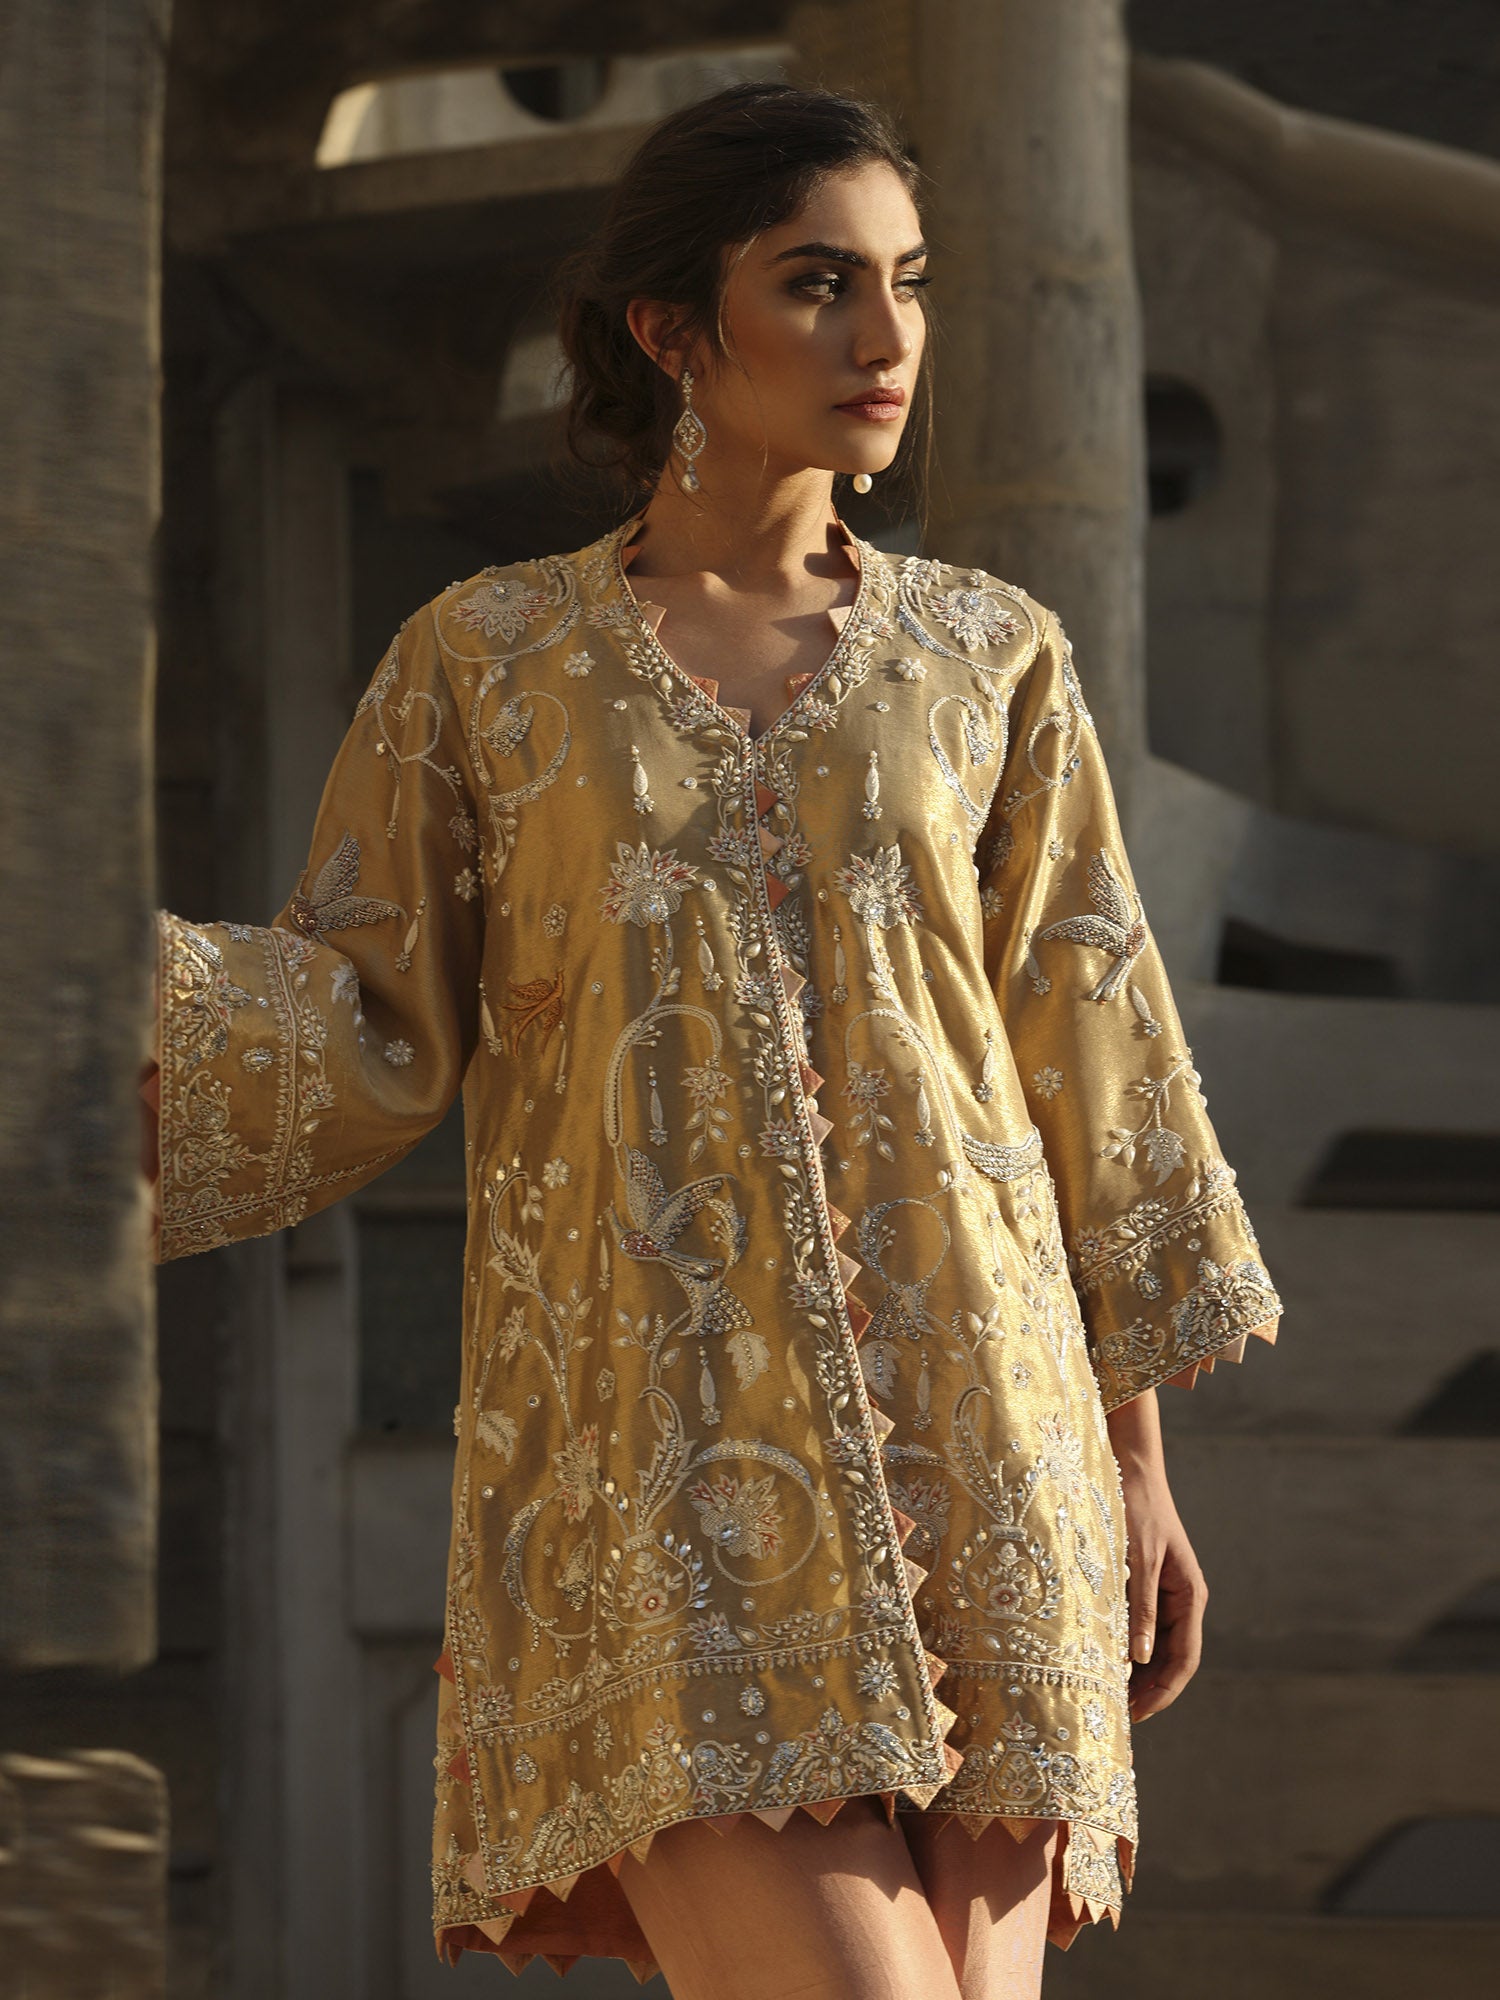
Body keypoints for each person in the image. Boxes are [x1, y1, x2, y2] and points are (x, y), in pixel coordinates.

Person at [143, 80, 1282, 1999]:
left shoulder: (994, 657)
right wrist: (84, 1006)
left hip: (997, 1457)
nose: (886, 336)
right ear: (673, 329)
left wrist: (1137, 1462)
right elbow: (357, 1014)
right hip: (662, 1466)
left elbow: (1090, 1058)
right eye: (819, 283)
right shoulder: (486, 662)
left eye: (910, 282)